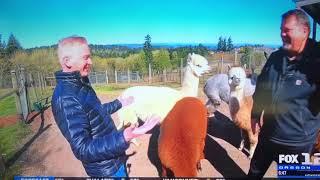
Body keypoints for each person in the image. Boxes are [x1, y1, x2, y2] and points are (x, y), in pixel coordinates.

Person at [51, 36, 160, 177]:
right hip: (107, 171)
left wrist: (119, 103)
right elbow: (82, 149)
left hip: (114, 159)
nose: (90, 62)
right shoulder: (65, 98)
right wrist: (123, 137)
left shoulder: (80, 83)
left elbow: (95, 112)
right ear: (67, 61)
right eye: (86, 58)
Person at [248, 9, 320, 179]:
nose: (282, 34)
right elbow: (263, 88)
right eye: (281, 29)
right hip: (268, 135)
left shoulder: (317, 61)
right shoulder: (275, 57)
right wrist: (255, 113)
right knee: (253, 174)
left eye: (287, 30)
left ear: (305, 31)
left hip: (297, 143)